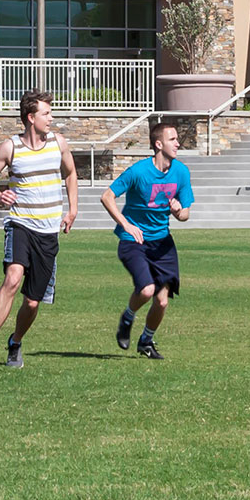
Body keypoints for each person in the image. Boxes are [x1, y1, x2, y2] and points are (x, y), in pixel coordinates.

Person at [0, 91, 78, 367]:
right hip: (21, 224)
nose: (51, 118)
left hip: (49, 231)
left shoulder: (58, 143)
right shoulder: (11, 147)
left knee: (31, 303)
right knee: (13, 277)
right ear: (31, 118)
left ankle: (15, 341)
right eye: (46, 114)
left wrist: (72, 209)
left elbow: (70, 174)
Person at [100, 118, 195, 360]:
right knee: (146, 290)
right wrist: (126, 225)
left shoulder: (181, 172)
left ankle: (146, 341)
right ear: (158, 144)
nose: (177, 144)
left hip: (162, 243)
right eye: (172, 139)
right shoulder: (138, 172)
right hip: (134, 241)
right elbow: (107, 197)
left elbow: (185, 214)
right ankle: (128, 317)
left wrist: (177, 211)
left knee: (162, 302)